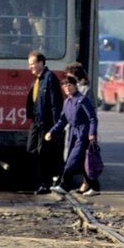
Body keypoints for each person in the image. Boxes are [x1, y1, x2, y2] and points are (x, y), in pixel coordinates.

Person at [45, 65, 100, 195]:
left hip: (83, 134)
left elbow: (92, 118)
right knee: (81, 162)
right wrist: (51, 132)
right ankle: (95, 188)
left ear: (75, 85)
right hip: (72, 134)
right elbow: (62, 120)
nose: (67, 88)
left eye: (69, 85)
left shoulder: (82, 99)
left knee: (71, 160)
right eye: (64, 86)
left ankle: (64, 186)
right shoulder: (67, 102)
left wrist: (92, 133)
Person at [24, 50, 64, 194]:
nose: (30, 67)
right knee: (31, 149)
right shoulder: (37, 79)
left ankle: (44, 183)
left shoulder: (50, 78)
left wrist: (55, 127)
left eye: (33, 64)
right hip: (36, 121)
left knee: (43, 152)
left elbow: (55, 103)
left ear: (41, 63)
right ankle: (38, 180)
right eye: (29, 64)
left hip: (46, 123)